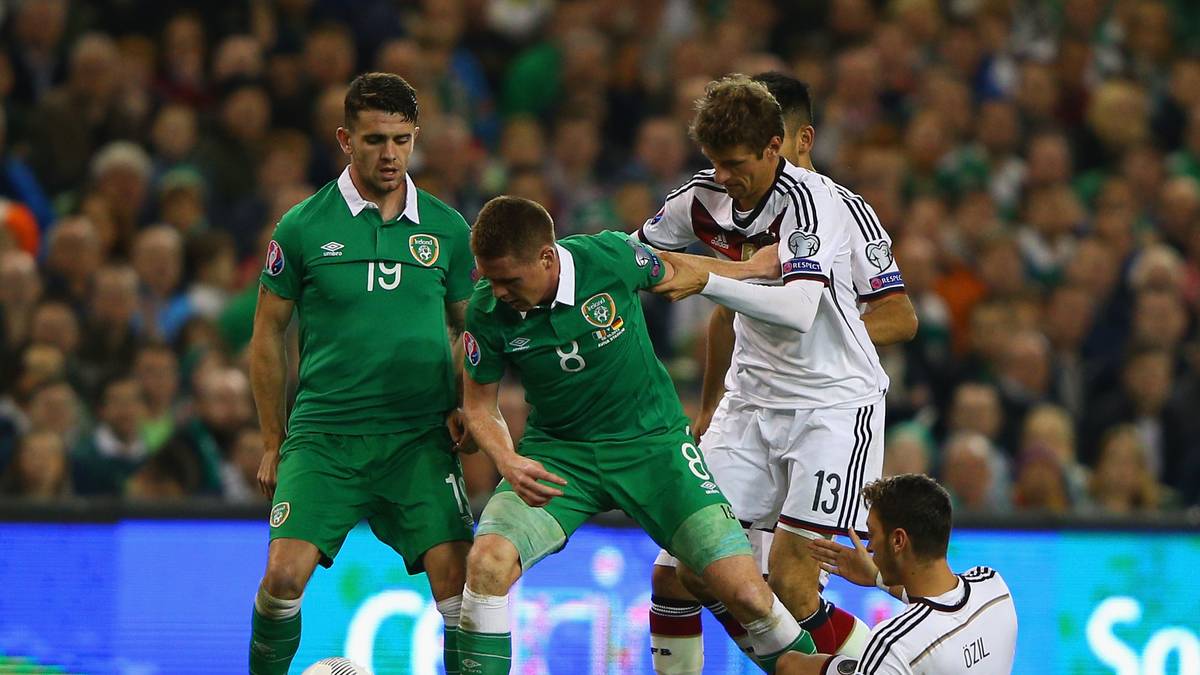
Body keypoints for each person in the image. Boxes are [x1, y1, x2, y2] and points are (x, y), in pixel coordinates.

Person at [456, 195, 817, 674]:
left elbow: (672, 271)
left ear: (546, 257)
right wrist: (507, 460)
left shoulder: (608, 258)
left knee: (748, 594)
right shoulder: (487, 312)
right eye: (489, 279)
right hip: (561, 459)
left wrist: (752, 269)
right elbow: (479, 406)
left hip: (654, 449)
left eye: (508, 280)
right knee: (487, 562)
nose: (497, 292)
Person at [641, 74, 917, 672]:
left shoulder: (826, 204)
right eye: (716, 162)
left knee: (791, 582)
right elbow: (719, 317)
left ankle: (893, 668)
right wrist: (712, 402)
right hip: (749, 405)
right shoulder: (704, 200)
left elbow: (887, 313)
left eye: (736, 160)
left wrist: (821, 348)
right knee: (682, 570)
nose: (724, 175)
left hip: (830, 406)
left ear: (784, 142)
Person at [247, 72, 475, 675]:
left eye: (402, 139)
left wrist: (471, 403)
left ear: (416, 138)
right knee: (281, 579)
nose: (391, 154)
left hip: (419, 436)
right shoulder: (301, 227)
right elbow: (267, 334)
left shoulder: (449, 230)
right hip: (326, 433)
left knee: (462, 591)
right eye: (376, 140)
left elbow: (474, 332)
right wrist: (273, 439)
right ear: (345, 139)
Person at [789, 474, 1018, 674]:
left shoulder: (895, 644)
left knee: (792, 665)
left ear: (898, 540)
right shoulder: (993, 587)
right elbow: (942, 607)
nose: (869, 548)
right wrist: (877, 577)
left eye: (872, 534)